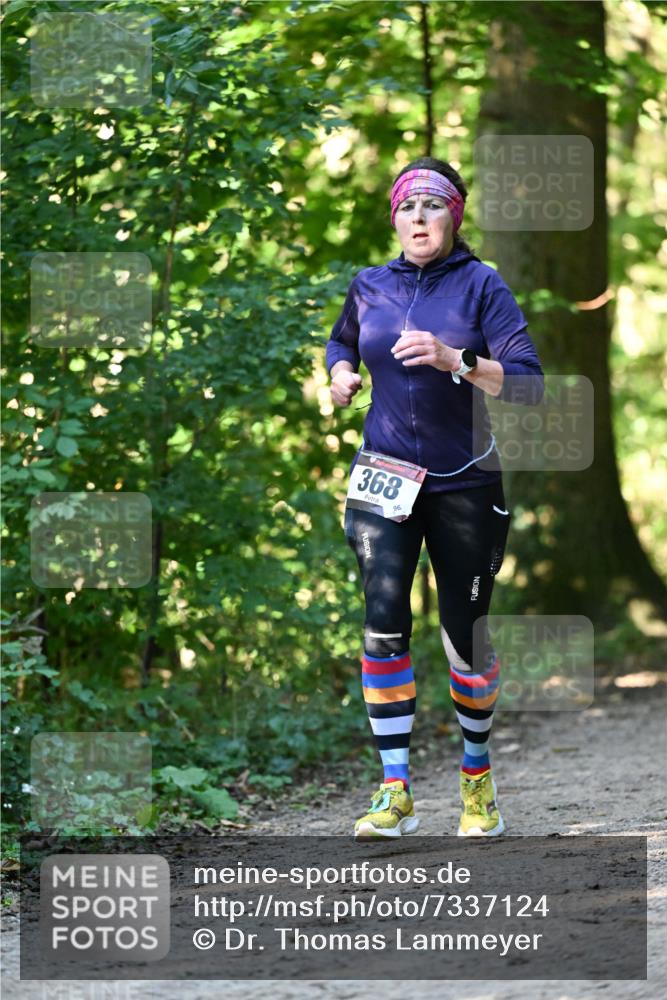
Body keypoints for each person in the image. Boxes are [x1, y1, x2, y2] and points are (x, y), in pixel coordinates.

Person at [326, 156, 544, 838]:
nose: (417, 219)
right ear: (393, 218)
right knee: (382, 617)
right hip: (382, 479)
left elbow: (529, 384)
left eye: (432, 207)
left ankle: (475, 782)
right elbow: (340, 343)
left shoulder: (481, 287)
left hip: (465, 483)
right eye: (405, 208)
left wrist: (457, 360)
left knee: (464, 638)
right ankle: (394, 792)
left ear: (453, 215)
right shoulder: (368, 287)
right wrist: (337, 376)